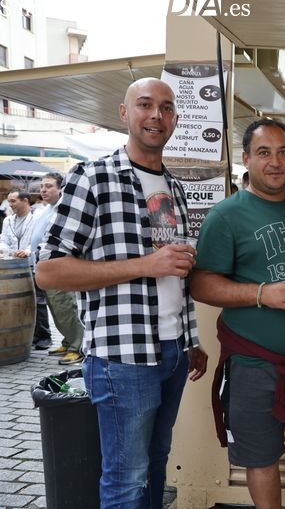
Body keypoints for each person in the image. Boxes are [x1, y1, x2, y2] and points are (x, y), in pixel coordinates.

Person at [36, 77, 208, 509]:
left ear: (175, 119)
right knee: (126, 479)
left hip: (172, 352)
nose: (156, 115)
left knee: (155, 468)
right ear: (124, 113)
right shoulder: (93, 177)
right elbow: (48, 271)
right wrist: (145, 265)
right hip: (121, 357)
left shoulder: (173, 187)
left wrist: (190, 340)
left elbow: (175, 273)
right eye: (145, 105)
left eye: (166, 108)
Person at [190, 118, 285, 509]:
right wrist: (262, 294)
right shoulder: (226, 216)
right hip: (253, 363)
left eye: (283, 152)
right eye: (264, 152)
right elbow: (201, 284)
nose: (275, 161)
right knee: (260, 457)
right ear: (246, 159)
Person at [29, 172, 86, 365]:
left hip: (58, 265)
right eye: (42, 186)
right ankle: (68, 340)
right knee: (56, 308)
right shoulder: (48, 208)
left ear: (60, 189)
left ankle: (78, 347)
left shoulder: (64, 208)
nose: (43, 190)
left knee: (65, 306)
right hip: (45, 265)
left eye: (49, 186)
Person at [0, 190, 52, 349]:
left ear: (25, 201)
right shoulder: (8, 220)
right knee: (20, 303)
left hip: (32, 264)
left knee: (38, 301)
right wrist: (5, 250)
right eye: (9, 201)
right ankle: (27, 335)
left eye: (13, 201)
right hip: (13, 267)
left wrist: (28, 251)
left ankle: (44, 336)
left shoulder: (38, 218)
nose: (10, 205)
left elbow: (41, 239)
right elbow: (3, 239)